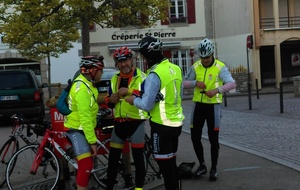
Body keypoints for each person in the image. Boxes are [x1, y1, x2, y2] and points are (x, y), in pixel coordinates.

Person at [125, 36, 185, 190]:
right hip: (176, 124)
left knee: (166, 171)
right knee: (172, 165)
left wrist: (133, 100)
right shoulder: (176, 68)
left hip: (161, 126)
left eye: (144, 56)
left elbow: (146, 104)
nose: (143, 59)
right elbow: (178, 95)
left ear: (149, 55)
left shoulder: (154, 74)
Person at [183, 38, 236, 181]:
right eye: (202, 57)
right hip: (198, 106)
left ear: (212, 54)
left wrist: (216, 90)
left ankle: (214, 167)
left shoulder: (220, 67)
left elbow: (232, 84)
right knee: (195, 137)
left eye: (207, 57)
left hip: (213, 107)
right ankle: (202, 165)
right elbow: (183, 83)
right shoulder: (196, 66)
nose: (205, 60)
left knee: (214, 139)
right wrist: (195, 83)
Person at [105, 46, 148, 190]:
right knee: (113, 160)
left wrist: (129, 91)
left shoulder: (142, 77)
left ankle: (139, 188)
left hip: (136, 122)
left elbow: (147, 97)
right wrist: (110, 100)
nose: (123, 64)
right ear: (116, 63)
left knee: (138, 158)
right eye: (120, 62)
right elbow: (109, 101)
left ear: (132, 59)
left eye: (126, 60)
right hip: (119, 123)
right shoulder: (114, 79)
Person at [64, 56, 104, 190]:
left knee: (84, 165)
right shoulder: (82, 88)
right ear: (92, 71)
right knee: (86, 165)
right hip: (76, 129)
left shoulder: (87, 85)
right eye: (100, 70)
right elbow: (85, 117)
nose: (102, 73)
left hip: (81, 129)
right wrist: (92, 142)